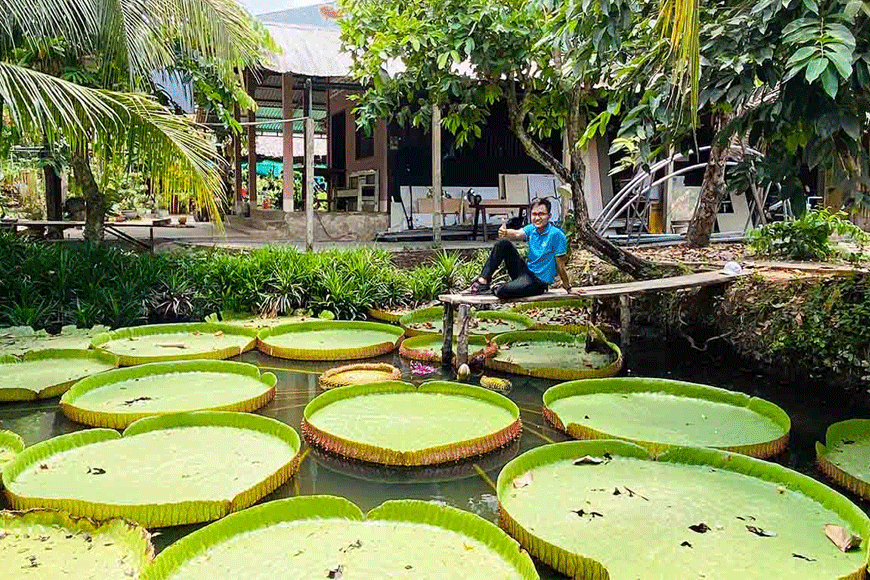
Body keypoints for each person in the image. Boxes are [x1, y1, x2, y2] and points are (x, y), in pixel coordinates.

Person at [462, 198, 581, 298]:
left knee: (502, 291)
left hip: (538, 282)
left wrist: (568, 288)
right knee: (503, 244)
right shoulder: (532, 229)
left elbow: (560, 265)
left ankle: (498, 288)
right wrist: (506, 232)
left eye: (541, 214)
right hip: (526, 273)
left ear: (549, 216)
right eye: (534, 214)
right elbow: (518, 233)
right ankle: (482, 281)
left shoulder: (557, 235)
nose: (537, 218)